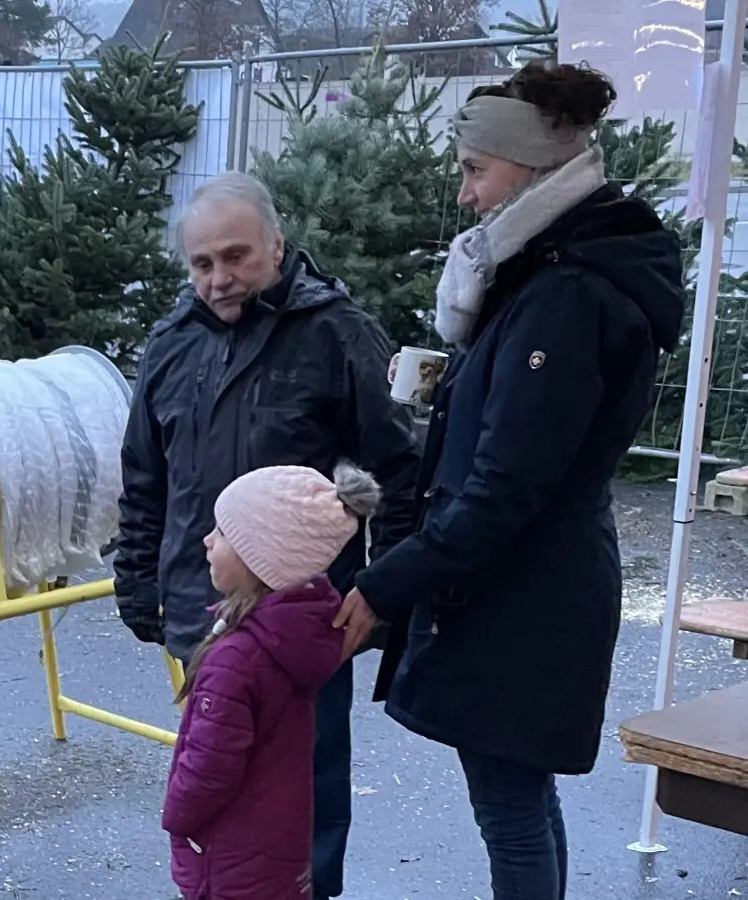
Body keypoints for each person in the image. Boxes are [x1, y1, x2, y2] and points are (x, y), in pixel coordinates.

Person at [334, 62, 685, 900]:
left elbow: (506, 487)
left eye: (473, 170)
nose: (465, 195)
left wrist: (383, 585)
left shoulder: (564, 295)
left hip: (526, 591)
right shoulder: (551, 273)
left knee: (509, 807)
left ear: (528, 168)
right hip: (524, 580)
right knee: (515, 796)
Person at [115, 171, 421, 899]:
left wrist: (379, 593)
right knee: (215, 792)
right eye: (201, 264)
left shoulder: (338, 335)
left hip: (301, 628)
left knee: (301, 804)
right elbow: (143, 478)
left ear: (276, 245)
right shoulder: (169, 346)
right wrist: (137, 582)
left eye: (236, 256)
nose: (220, 279)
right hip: (199, 611)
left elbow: (400, 472)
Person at [164, 463, 381, 900]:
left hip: (228, 859)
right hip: (276, 851)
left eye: (222, 533)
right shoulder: (296, 634)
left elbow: (210, 767)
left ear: (259, 558)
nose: (208, 540)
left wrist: (176, 814)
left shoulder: (236, 659)